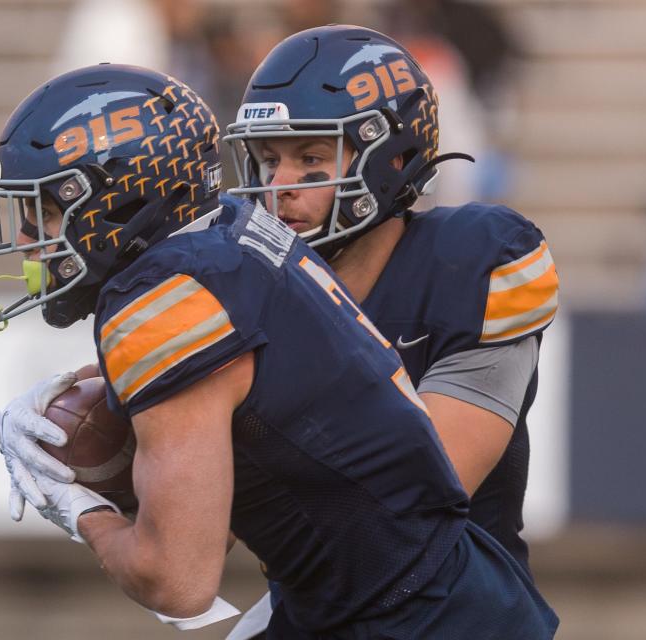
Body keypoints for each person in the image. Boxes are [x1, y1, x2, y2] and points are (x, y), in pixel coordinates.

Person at [0, 64, 558, 637]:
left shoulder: (167, 298)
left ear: (111, 203)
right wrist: (93, 387)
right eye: (270, 159)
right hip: (386, 597)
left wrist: (73, 507)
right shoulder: (233, 236)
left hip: (418, 612)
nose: (26, 240)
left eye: (43, 212)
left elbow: (178, 583)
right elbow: (251, 379)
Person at [222, 24, 559, 638]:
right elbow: (201, 531)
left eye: (311, 158)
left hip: (451, 612)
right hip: (323, 608)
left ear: (392, 155)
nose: (279, 187)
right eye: (269, 159)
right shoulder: (251, 293)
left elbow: (413, 501)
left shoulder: (474, 263)